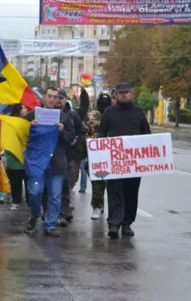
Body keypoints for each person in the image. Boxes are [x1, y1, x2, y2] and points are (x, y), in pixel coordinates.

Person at [98, 83, 151, 238]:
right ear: (116, 95)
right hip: (115, 160)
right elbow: (102, 132)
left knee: (131, 192)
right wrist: (101, 145)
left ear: (131, 94)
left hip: (134, 162)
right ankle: (114, 224)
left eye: (126, 92)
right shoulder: (109, 112)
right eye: (120, 93)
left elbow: (146, 133)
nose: (123, 95)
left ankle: (127, 223)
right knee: (114, 191)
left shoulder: (138, 112)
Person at [23, 87, 75, 237]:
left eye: (55, 97)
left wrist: (63, 130)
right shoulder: (32, 115)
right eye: (50, 96)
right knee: (34, 192)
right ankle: (34, 215)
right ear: (44, 97)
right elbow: (22, 135)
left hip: (56, 162)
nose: (52, 99)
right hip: (37, 162)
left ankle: (50, 225)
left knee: (54, 195)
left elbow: (71, 138)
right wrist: (30, 127)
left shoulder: (63, 117)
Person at [57, 89, 85, 225]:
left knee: (66, 183)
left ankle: (65, 211)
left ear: (66, 99)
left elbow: (81, 132)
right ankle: (51, 211)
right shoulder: (47, 113)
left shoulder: (72, 116)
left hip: (69, 155)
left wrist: (76, 139)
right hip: (52, 155)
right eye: (56, 97)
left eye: (61, 98)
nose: (58, 100)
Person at [85, 93, 112, 219]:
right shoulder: (91, 115)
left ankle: (112, 209)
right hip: (96, 154)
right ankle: (97, 206)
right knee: (97, 183)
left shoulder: (114, 114)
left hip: (112, 153)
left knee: (112, 185)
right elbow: (83, 130)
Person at [5, 104, 29, 210]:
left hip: (27, 158)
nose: (26, 109)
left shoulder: (29, 122)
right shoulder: (10, 123)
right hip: (14, 157)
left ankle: (30, 202)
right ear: (18, 110)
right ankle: (16, 200)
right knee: (15, 182)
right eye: (23, 108)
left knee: (29, 183)